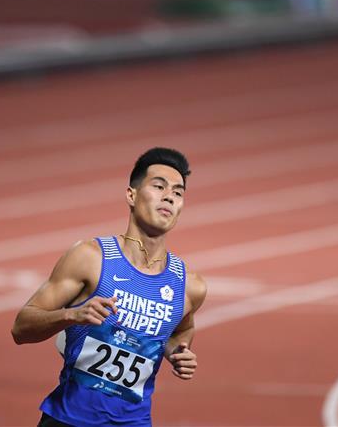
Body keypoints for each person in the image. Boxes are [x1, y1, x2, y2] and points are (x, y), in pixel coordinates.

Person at [12, 147, 208, 426]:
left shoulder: (190, 285)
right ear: (131, 194)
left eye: (178, 193)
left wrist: (178, 351)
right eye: (159, 186)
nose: (169, 196)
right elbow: (21, 328)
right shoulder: (89, 258)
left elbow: (182, 328)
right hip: (68, 420)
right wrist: (71, 315)